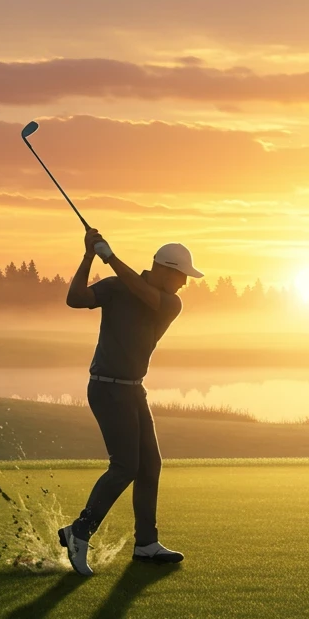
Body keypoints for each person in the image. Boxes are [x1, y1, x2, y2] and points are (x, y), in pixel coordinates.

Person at [57, 225, 203, 575]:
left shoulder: (169, 302)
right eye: (182, 275)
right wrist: (89, 257)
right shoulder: (117, 287)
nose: (185, 283)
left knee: (149, 464)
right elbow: (75, 298)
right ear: (165, 270)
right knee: (125, 465)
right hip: (107, 388)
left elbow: (145, 294)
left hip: (134, 389)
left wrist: (111, 257)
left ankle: (146, 544)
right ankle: (79, 532)